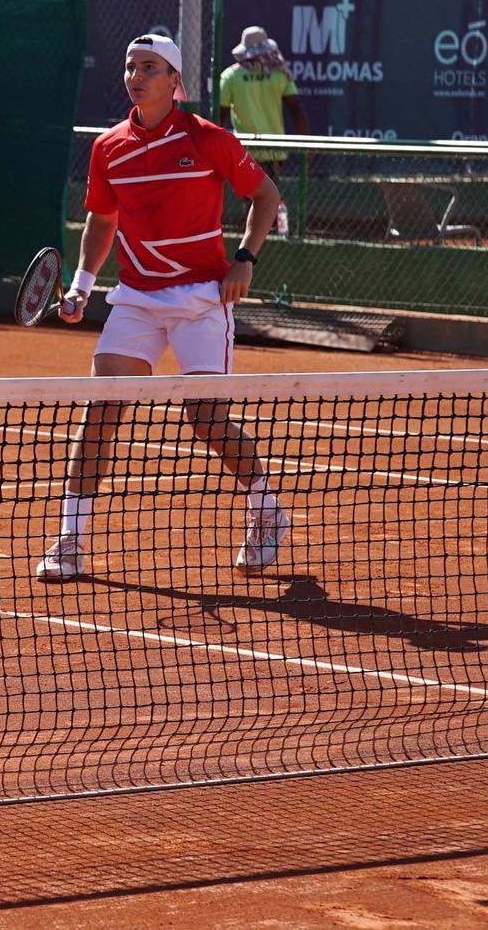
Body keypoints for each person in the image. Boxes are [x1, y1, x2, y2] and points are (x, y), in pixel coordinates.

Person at [36, 34, 291, 583]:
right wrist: (81, 284)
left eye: (150, 67)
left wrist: (245, 258)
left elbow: (265, 195)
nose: (137, 75)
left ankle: (267, 509)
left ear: (175, 81)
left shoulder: (207, 139)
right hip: (136, 299)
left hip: (202, 300)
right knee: (101, 410)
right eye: (130, 66)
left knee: (206, 419)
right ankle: (71, 540)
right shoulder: (108, 148)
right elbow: (103, 223)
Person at [217, 25, 308, 236]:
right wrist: (307, 149)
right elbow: (297, 112)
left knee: (256, 202)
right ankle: (264, 240)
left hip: (244, 154)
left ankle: (258, 243)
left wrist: (220, 154)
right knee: (267, 201)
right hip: (274, 152)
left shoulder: (230, 77)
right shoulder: (279, 74)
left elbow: (219, 119)